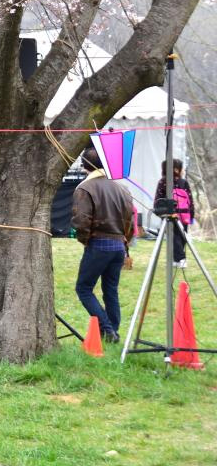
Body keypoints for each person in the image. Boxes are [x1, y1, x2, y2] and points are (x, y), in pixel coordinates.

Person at [72, 145, 135, 344]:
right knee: (111, 290)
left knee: (83, 288)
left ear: (84, 166)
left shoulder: (85, 188)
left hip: (99, 243)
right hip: (119, 245)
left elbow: (81, 221)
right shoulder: (122, 188)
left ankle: (108, 329)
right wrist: (124, 241)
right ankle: (113, 332)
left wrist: (85, 240)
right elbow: (130, 222)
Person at [154, 159, 193, 268]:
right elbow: (190, 200)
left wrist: (158, 212)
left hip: (168, 214)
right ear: (176, 169)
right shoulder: (183, 182)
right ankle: (179, 259)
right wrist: (191, 215)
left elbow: (158, 199)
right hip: (184, 215)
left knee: (175, 237)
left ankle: (179, 259)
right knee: (181, 236)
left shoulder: (162, 182)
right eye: (182, 168)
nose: (183, 170)